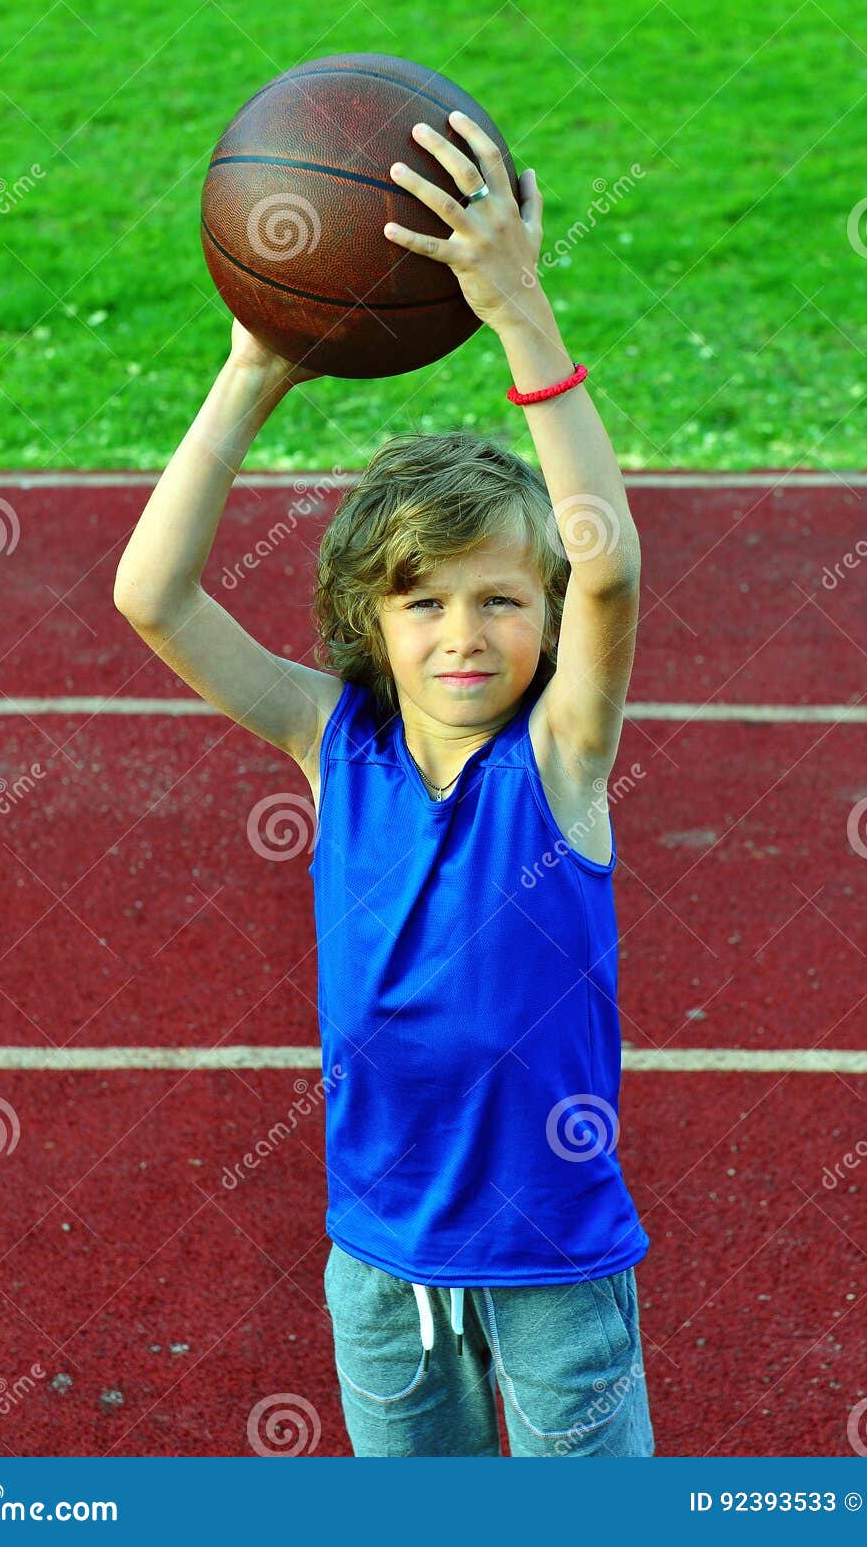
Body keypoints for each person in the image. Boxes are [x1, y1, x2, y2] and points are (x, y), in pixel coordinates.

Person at [113, 109, 654, 1456]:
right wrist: (251, 370)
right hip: (379, 1264)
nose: (463, 630)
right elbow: (154, 596)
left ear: (542, 610)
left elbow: (614, 565)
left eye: (497, 597)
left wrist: (520, 311)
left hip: (552, 1265)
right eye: (421, 601)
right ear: (370, 618)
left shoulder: (561, 757)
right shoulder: (330, 738)